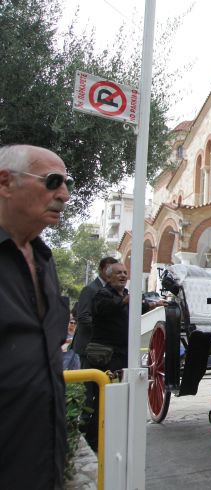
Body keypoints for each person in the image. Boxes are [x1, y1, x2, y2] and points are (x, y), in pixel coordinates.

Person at [0, 144, 73, 489]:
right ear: (5, 182)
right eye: (53, 181)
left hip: (44, 465)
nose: (65, 195)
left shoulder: (44, 261)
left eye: (68, 183)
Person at [84, 261, 162, 451]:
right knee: (103, 398)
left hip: (122, 354)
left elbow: (138, 307)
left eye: (125, 272)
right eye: (118, 273)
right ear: (108, 276)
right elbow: (105, 308)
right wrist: (124, 301)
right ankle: (94, 441)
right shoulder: (102, 295)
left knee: (120, 398)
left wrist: (154, 304)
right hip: (106, 356)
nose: (123, 276)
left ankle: (113, 437)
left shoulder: (125, 296)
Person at [71, 256, 118, 369]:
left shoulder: (112, 290)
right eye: (108, 269)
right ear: (101, 270)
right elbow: (83, 317)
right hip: (88, 347)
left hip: (104, 348)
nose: (111, 272)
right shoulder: (90, 289)